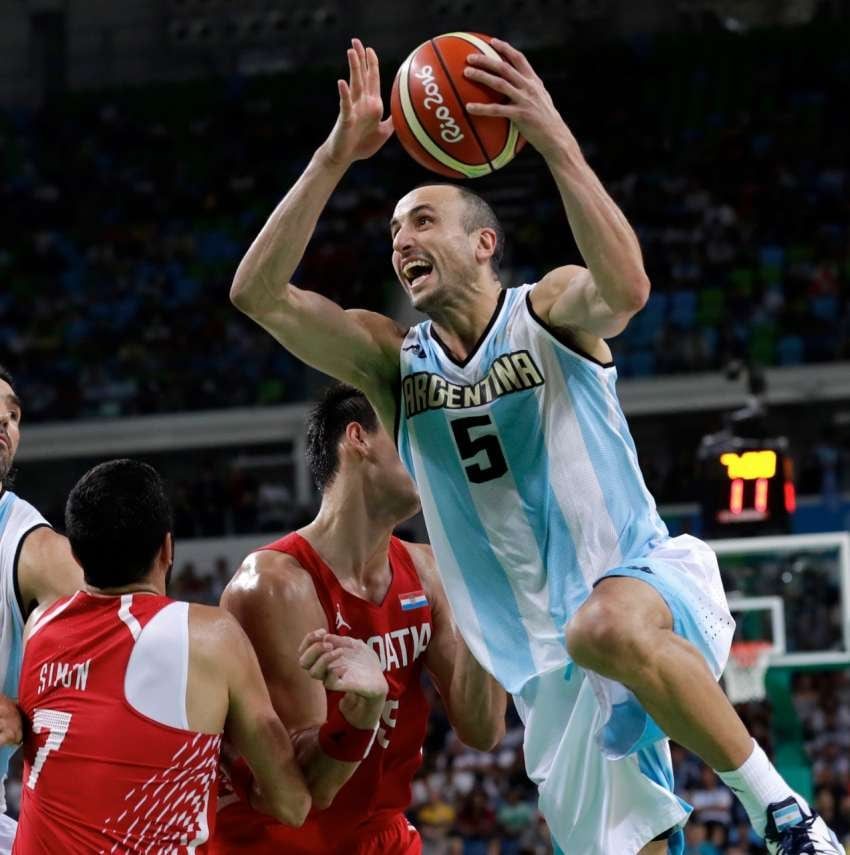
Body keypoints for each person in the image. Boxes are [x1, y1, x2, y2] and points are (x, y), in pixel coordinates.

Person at [227, 36, 845, 855]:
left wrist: (554, 139)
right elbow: (257, 294)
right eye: (393, 232)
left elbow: (626, 288)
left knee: (602, 626)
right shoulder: (394, 363)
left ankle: (789, 816)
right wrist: (334, 155)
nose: (401, 241)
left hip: (642, 583)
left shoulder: (545, 311)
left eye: (423, 221)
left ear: (484, 244)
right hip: (541, 664)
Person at [210, 383, 506, 854]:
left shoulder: (429, 570)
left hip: (381, 833)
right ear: (358, 437)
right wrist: (363, 712)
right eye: (413, 437)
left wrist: (485, 593)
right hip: (281, 842)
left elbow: (483, 730)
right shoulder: (275, 584)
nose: (432, 457)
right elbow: (308, 792)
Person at [13, 458, 313, 853]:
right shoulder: (209, 635)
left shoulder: (39, 627)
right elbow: (292, 803)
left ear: (78, 557)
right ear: (167, 549)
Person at [0, 365, 83, 850]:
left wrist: (31, 718)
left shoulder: (35, 550)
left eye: (13, 415)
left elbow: (119, 669)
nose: (4, 422)